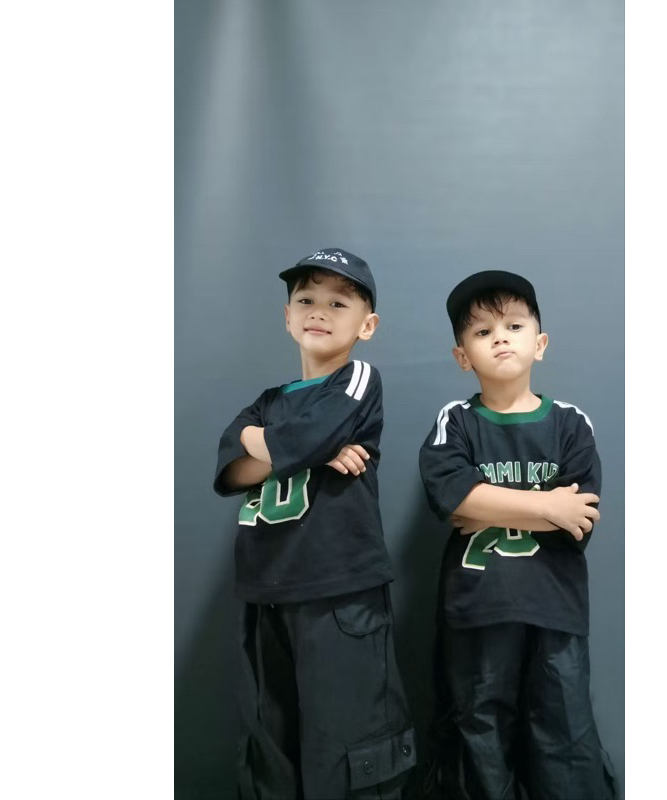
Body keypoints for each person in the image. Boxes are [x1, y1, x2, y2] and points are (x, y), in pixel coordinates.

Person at [214, 248, 415, 800]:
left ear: (366, 325)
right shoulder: (269, 401)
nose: (318, 311)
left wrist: (280, 444)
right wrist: (306, 448)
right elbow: (230, 465)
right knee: (270, 747)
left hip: (338, 591)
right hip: (265, 590)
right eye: (305, 299)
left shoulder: (358, 378)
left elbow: (295, 440)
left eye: (338, 302)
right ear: (287, 316)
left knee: (349, 742)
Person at [418, 270, 617, 800]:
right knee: (480, 732)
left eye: (513, 325)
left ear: (540, 343)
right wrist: (547, 504)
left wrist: (490, 504)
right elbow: (454, 498)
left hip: (555, 608)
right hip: (477, 608)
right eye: (482, 332)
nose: (500, 338)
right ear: (462, 356)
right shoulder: (456, 421)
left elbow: (579, 516)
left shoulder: (570, 423)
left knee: (564, 735)